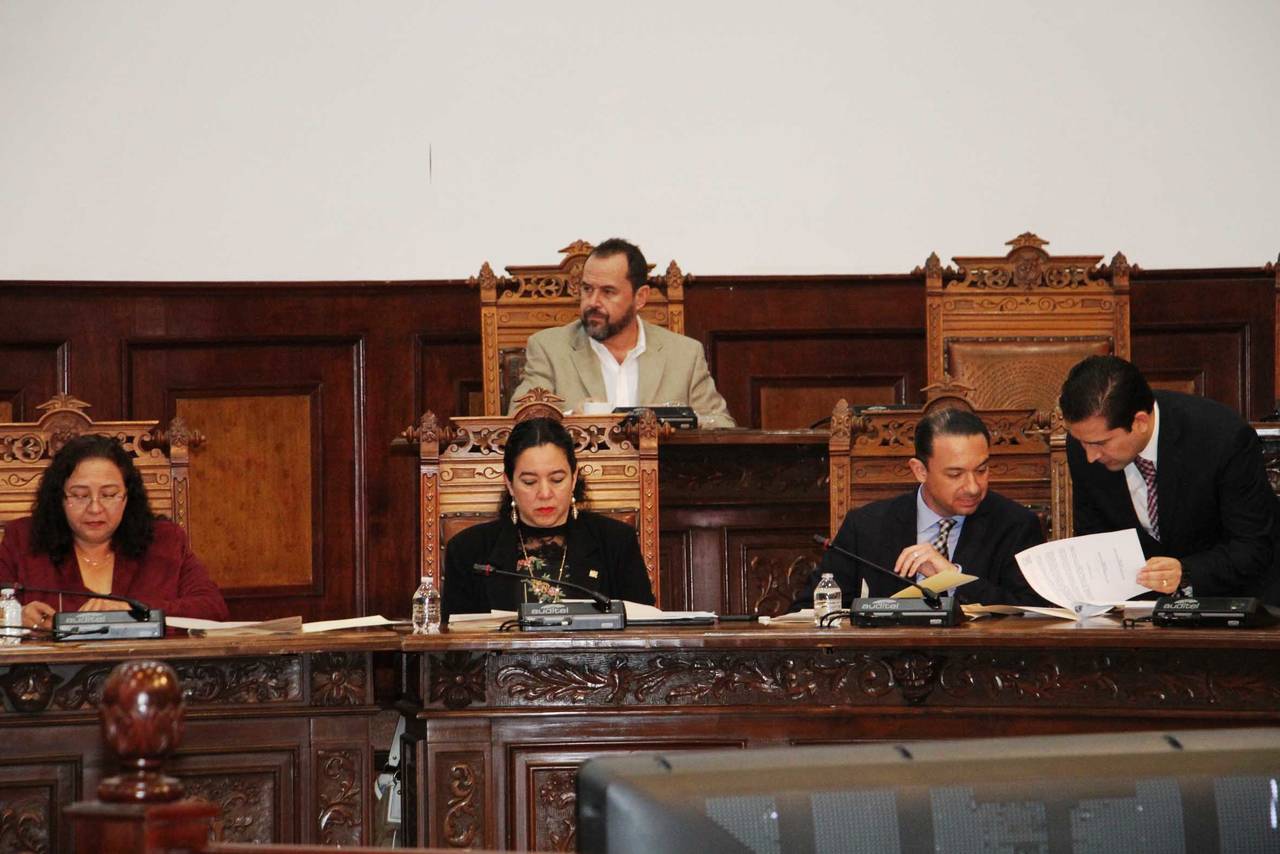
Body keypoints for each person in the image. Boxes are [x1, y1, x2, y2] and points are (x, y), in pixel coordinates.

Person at [1059, 355, 1280, 601]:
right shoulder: (1085, 444)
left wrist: (1186, 573)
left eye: (1100, 443)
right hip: (1137, 609)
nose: (1090, 456)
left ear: (1140, 422)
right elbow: (1093, 537)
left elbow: (1253, 547)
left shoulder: (1222, 438)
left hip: (1230, 601)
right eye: (1082, 442)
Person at [795, 407, 1045, 609]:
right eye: (955, 474)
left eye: (981, 470)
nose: (972, 487)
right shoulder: (866, 526)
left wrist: (954, 578)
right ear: (920, 471)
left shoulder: (1016, 525)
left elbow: (1036, 612)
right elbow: (809, 609)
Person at [0, 434, 229, 632]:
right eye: (80, 495)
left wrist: (134, 612)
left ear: (127, 497)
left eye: (109, 495)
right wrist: (15, 617)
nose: (95, 508)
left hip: (149, 667)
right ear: (58, 498)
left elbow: (213, 610)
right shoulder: (23, 539)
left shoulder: (165, 540)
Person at [507, 238, 737, 428]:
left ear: (640, 297)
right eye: (587, 289)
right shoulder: (549, 348)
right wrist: (570, 420)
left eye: (608, 292)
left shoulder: (684, 354)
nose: (593, 302)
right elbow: (518, 421)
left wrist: (675, 423)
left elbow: (721, 424)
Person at [441, 416, 656, 619]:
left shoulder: (616, 542)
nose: (544, 493)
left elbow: (644, 629)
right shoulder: (468, 551)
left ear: (573, 479)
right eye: (529, 482)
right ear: (509, 484)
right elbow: (455, 638)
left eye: (557, 479)